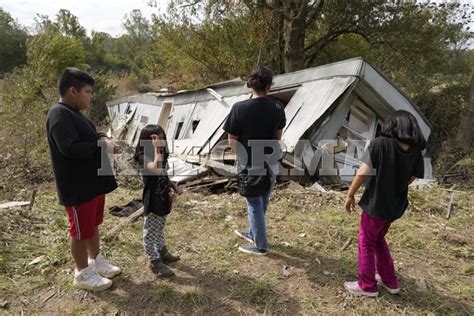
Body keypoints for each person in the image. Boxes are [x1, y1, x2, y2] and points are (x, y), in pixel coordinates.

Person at [46, 68, 120, 291]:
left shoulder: (76, 112)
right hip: (77, 187)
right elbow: (69, 148)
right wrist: (102, 146)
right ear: (72, 91)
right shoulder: (59, 115)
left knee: (92, 225)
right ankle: (82, 274)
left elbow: (88, 136)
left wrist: (102, 138)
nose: (91, 96)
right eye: (88, 91)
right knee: (79, 231)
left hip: (92, 184)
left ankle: (95, 261)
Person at [343, 110, 426, 297]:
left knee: (365, 241)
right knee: (378, 239)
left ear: (392, 126)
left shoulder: (380, 144)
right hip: (395, 206)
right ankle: (390, 281)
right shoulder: (415, 153)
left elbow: (363, 171)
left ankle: (367, 285)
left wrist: (350, 194)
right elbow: (411, 178)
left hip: (376, 204)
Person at [223, 66, 286, 256]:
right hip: (270, 161)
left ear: (251, 84)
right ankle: (253, 232)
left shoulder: (239, 108)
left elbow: (231, 140)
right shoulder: (277, 107)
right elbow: (278, 137)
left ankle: (260, 245)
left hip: (249, 162)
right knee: (262, 200)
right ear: (269, 86)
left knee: (254, 203)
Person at [133, 124, 182, 277]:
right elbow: (155, 168)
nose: (159, 141)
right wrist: (157, 149)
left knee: (160, 226)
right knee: (150, 231)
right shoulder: (143, 156)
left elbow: (163, 172)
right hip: (152, 197)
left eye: (160, 137)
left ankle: (162, 251)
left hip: (163, 195)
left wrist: (173, 186)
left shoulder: (161, 154)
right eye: (154, 138)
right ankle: (154, 261)